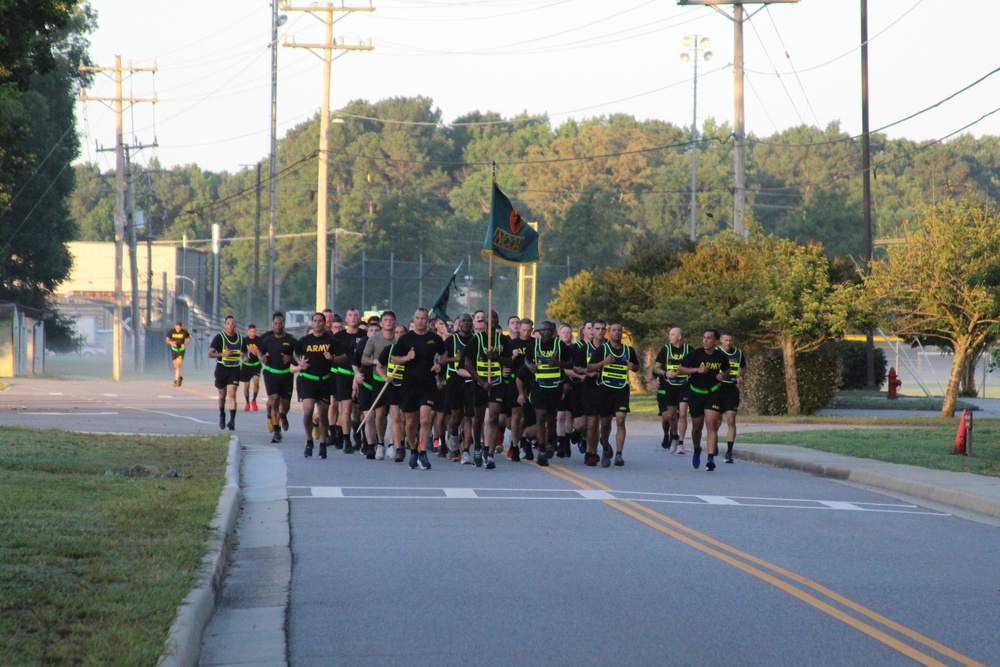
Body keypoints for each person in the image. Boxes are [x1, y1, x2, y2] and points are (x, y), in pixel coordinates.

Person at [391, 308, 445, 470]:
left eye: (423, 318)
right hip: (409, 384)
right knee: (410, 421)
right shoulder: (406, 338)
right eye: (418, 318)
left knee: (425, 419)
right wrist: (407, 358)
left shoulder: (434, 339)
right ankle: (413, 450)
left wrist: (439, 365)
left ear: (428, 321)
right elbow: (394, 359)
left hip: (427, 384)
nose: (420, 321)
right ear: (413, 320)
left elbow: (444, 353)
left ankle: (423, 453)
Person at [463, 310, 511, 469]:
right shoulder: (476, 340)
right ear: (485, 321)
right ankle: (477, 446)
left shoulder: (502, 339)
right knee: (478, 418)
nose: (494, 320)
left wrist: (497, 357)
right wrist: (481, 382)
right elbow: (467, 364)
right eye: (490, 318)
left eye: (496, 317)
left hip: (497, 383)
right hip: (479, 384)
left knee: (493, 417)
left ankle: (489, 454)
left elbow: (510, 362)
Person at [292, 312, 344, 459]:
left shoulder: (331, 340)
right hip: (308, 380)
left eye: (320, 321)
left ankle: (322, 443)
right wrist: (300, 362)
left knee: (322, 415)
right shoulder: (305, 340)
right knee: (308, 411)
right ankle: (309, 441)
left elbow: (343, 357)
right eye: (315, 321)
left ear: (324, 323)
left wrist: (333, 357)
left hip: (324, 381)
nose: (317, 323)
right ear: (312, 323)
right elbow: (295, 353)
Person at [677, 329, 730, 472]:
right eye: (704, 338)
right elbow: (680, 369)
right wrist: (696, 370)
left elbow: (727, 369)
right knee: (696, 428)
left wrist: (722, 376)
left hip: (713, 392)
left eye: (709, 338)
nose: (705, 341)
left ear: (715, 341)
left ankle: (711, 458)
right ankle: (697, 449)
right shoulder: (695, 354)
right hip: (696, 393)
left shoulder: (720, 356)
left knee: (711, 424)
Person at [586, 323, 638, 467]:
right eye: (614, 330)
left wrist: (633, 367)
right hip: (605, 389)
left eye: (619, 330)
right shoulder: (603, 349)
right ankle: (604, 449)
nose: (617, 332)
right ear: (610, 333)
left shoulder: (628, 350)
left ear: (622, 333)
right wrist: (604, 362)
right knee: (605, 423)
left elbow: (637, 366)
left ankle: (619, 454)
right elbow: (589, 367)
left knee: (620, 420)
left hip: (622, 388)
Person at [523, 321, 575, 466]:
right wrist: (530, 366)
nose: (546, 332)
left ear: (554, 332)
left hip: (555, 387)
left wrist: (559, 364)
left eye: (549, 330)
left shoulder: (560, 345)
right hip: (539, 386)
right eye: (543, 330)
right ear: (539, 332)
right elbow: (526, 359)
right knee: (540, 417)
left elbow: (571, 362)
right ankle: (541, 450)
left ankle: (551, 440)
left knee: (551, 418)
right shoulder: (534, 345)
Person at [360, 311, 396, 460]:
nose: (388, 322)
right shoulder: (374, 339)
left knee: (396, 415)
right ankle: (380, 443)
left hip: (396, 380)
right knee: (380, 414)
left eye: (391, 320)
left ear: (395, 322)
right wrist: (374, 362)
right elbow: (364, 358)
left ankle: (393, 445)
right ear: (381, 323)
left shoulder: (399, 338)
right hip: (379, 379)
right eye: (385, 319)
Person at [440, 313, 475, 463]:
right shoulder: (451, 340)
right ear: (459, 324)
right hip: (454, 379)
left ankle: (466, 451)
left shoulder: (475, 339)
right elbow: (441, 360)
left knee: (468, 416)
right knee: (456, 416)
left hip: (471, 379)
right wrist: (455, 359)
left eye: (468, 321)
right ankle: (453, 434)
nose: (466, 323)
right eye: (463, 321)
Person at [257, 312, 296, 444]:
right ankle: (276, 431)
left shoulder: (290, 340)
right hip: (271, 373)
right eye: (275, 323)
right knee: (274, 401)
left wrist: (290, 358)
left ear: (283, 324)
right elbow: (259, 351)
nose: (278, 325)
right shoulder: (268, 340)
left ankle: (283, 415)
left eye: (280, 323)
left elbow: (298, 354)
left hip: (286, 374)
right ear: (272, 324)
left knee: (285, 404)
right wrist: (261, 358)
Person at [653, 327, 691, 455]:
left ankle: (681, 442)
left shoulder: (688, 349)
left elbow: (696, 365)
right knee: (671, 415)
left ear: (679, 337)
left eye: (672, 334)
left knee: (683, 413)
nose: (670, 336)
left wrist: (685, 370)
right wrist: (666, 373)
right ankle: (674, 437)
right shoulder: (666, 349)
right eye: (669, 334)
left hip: (684, 385)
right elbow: (656, 368)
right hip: (670, 385)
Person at [574, 319, 607, 466]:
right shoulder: (585, 349)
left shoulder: (610, 348)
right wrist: (587, 372)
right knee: (592, 422)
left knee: (605, 422)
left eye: (602, 328)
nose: (600, 331)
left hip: (608, 389)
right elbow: (576, 368)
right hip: (590, 388)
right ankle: (592, 453)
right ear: (592, 331)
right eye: (597, 328)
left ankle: (605, 444)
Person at [208, 316, 246, 431]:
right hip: (221, 368)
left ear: (235, 325)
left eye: (232, 323)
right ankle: (222, 415)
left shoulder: (240, 338)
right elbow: (210, 354)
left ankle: (232, 421)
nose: (230, 325)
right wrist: (223, 354)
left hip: (234, 369)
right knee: (222, 396)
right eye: (228, 323)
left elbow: (243, 353)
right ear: (225, 325)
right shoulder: (219, 338)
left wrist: (244, 357)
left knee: (232, 393)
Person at [717, 329, 747, 464]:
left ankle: (729, 452)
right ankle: (713, 444)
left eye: (730, 340)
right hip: (718, 389)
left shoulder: (738, 353)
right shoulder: (716, 352)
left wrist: (741, 376)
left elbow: (743, 367)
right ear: (721, 341)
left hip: (732, 389)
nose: (728, 343)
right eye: (725, 340)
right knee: (716, 421)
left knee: (731, 419)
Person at [240, 324, 262, 411]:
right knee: (246, 385)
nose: (252, 333)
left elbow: (261, 351)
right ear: (248, 331)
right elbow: (241, 352)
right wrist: (244, 356)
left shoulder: (258, 340)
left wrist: (256, 352)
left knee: (256, 381)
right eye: (251, 331)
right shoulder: (245, 340)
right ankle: (247, 402)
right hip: (247, 365)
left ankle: (254, 400)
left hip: (256, 364)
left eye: (254, 331)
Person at [165, 321, 192, 387]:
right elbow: (167, 340)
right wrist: (171, 343)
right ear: (175, 326)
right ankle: (179, 377)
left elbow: (189, 339)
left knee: (178, 365)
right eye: (177, 328)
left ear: (181, 327)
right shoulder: (171, 332)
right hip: (174, 350)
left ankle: (175, 381)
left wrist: (185, 344)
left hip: (181, 350)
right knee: (175, 366)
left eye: (179, 328)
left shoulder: (184, 332)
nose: (178, 329)